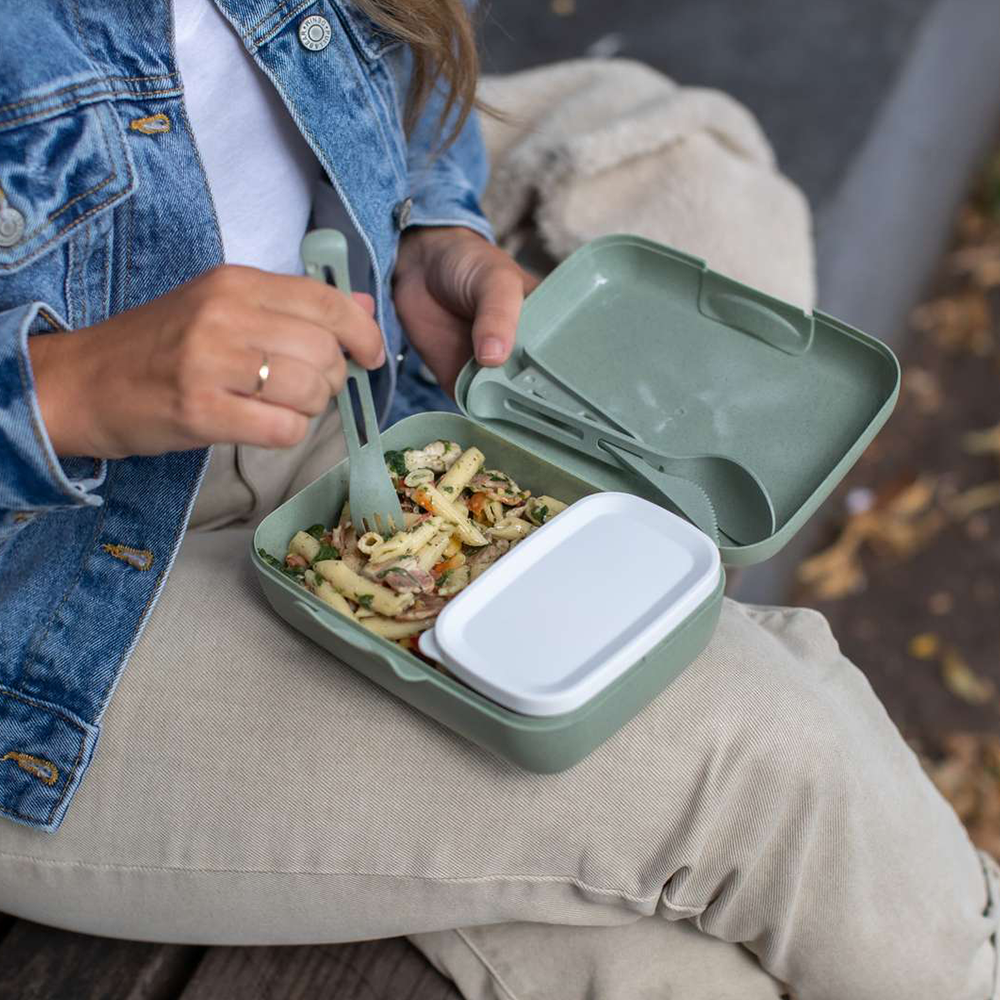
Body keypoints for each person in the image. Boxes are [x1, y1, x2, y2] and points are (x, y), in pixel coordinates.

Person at [0, 3, 996, 998]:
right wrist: (70, 389)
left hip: (343, 399)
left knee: (699, 178)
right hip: (50, 603)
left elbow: (357, 63)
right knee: (754, 751)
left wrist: (422, 225)